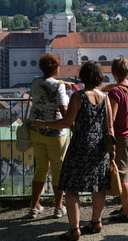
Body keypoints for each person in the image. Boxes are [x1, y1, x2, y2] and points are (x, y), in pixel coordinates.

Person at [33, 61, 113, 241]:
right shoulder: (105, 98)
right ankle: (96, 222)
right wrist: (111, 151)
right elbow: (110, 126)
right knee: (98, 186)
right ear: (99, 77)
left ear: (83, 77)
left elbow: (67, 122)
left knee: (72, 188)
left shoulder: (78, 97)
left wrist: (45, 124)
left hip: (80, 146)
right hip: (100, 147)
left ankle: (74, 229)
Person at [26, 53, 72, 219]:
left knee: (41, 169)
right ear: (56, 68)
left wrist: (61, 84)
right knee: (58, 170)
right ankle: (58, 207)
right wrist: (72, 123)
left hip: (36, 130)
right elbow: (63, 109)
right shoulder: (59, 86)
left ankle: (35, 206)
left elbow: (47, 84)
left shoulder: (35, 82)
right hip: (55, 132)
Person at [104, 56, 128, 223]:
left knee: (123, 175)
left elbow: (111, 118)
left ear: (112, 72)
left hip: (121, 136)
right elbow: (123, 86)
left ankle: (126, 213)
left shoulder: (115, 93)